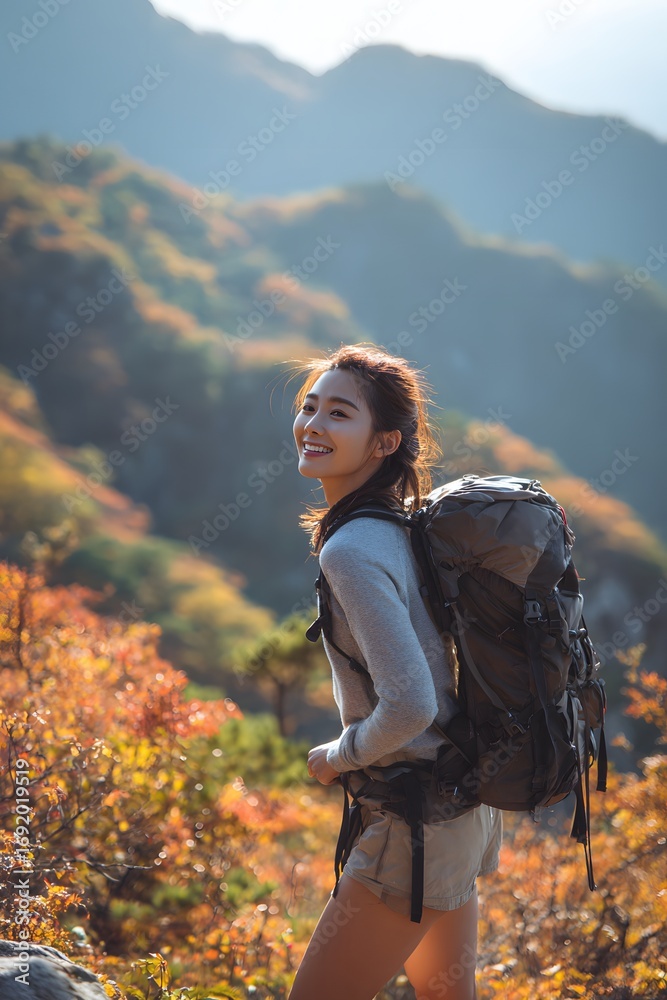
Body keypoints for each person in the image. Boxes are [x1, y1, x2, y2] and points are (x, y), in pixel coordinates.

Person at [286, 343, 502, 1000]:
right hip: (460, 808)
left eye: (339, 414)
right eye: (309, 406)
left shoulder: (352, 548)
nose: (313, 425)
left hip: (411, 824)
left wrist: (338, 755)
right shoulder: (404, 525)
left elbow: (410, 705)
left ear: (383, 443)